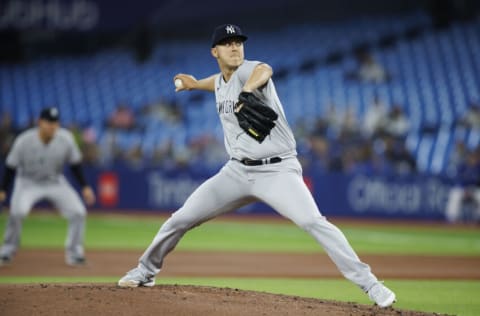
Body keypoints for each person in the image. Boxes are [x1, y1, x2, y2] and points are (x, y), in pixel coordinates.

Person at [117, 24, 396, 308]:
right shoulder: (221, 81)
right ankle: (145, 271)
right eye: (227, 43)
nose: (235, 46)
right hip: (237, 171)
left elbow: (265, 69)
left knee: (313, 222)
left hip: (278, 171)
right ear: (215, 51)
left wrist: (249, 90)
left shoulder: (250, 70)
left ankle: (371, 285)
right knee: (180, 219)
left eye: (238, 42)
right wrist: (194, 83)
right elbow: (219, 81)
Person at [0, 107, 96, 266]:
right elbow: (11, 167)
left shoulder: (66, 138)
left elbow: (75, 165)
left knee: (78, 212)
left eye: (55, 122)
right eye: (49, 122)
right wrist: (3, 189)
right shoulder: (24, 140)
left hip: (55, 181)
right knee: (17, 213)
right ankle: (7, 251)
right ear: (40, 122)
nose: (52, 126)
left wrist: (85, 186)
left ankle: (75, 254)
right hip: (27, 182)